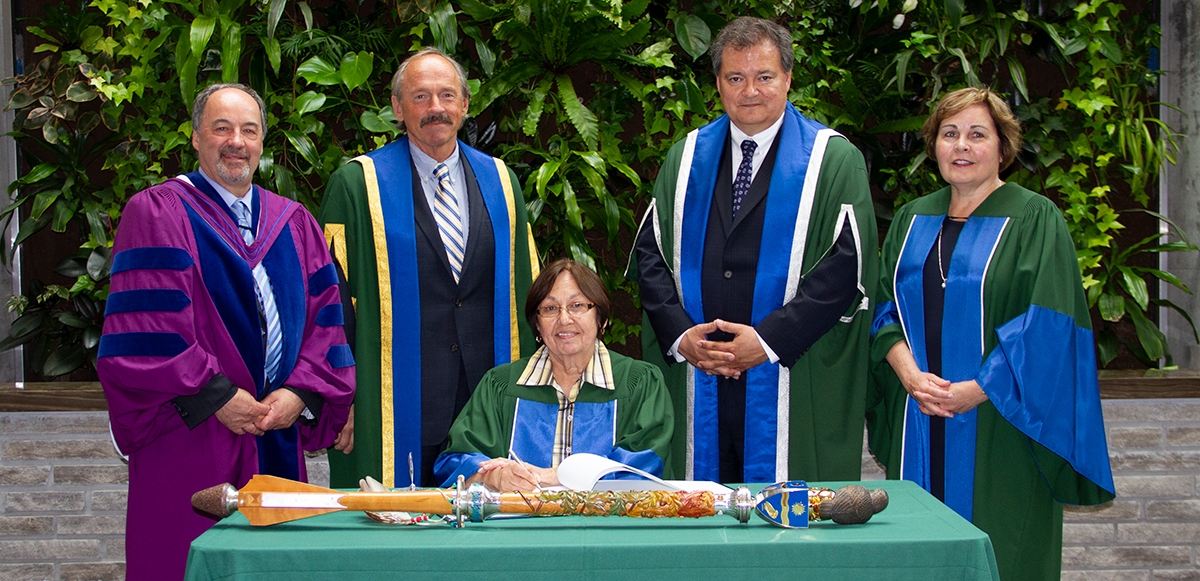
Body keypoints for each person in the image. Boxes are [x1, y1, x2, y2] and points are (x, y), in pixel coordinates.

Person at [97, 83, 355, 581]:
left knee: (276, 579)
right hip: (190, 433)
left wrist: (300, 393)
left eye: (248, 130)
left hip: (274, 432)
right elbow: (146, 332)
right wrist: (217, 396)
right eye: (221, 128)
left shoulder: (294, 222)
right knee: (185, 574)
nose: (235, 141)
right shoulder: (158, 212)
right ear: (195, 138)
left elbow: (326, 327)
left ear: (262, 143)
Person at [867, 87, 1115, 581]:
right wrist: (910, 376)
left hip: (1001, 426)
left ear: (1003, 147)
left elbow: (1048, 326)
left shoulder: (1034, 218)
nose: (962, 146)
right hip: (919, 416)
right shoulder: (912, 219)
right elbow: (881, 309)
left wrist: (976, 389)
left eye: (978, 135)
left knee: (1003, 558)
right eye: (949, 134)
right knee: (918, 562)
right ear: (933, 145)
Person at [629, 17, 877, 484]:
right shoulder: (685, 158)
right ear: (718, 83)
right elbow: (652, 255)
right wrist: (683, 337)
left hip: (788, 378)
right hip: (698, 374)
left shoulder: (831, 160)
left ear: (788, 78)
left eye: (764, 77)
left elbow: (845, 270)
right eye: (735, 78)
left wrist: (766, 343)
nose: (750, 91)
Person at [319, 47, 539, 489]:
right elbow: (329, 303)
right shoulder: (358, 185)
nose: (435, 108)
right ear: (398, 109)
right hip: (393, 403)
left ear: (464, 104)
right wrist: (338, 397)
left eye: (446, 95)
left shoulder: (501, 181)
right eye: (420, 97)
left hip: (488, 403)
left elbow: (528, 291)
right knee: (394, 544)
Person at [435, 259, 672, 490]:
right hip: (519, 528)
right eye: (550, 308)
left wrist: (557, 476)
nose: (564, 319)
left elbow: (644, 467)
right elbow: (455, 463)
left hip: (608, 528)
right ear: (537, 325)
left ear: (601, 318)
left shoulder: (639, 384)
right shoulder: (501, 386)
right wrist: (494, 477)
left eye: (577, 305)